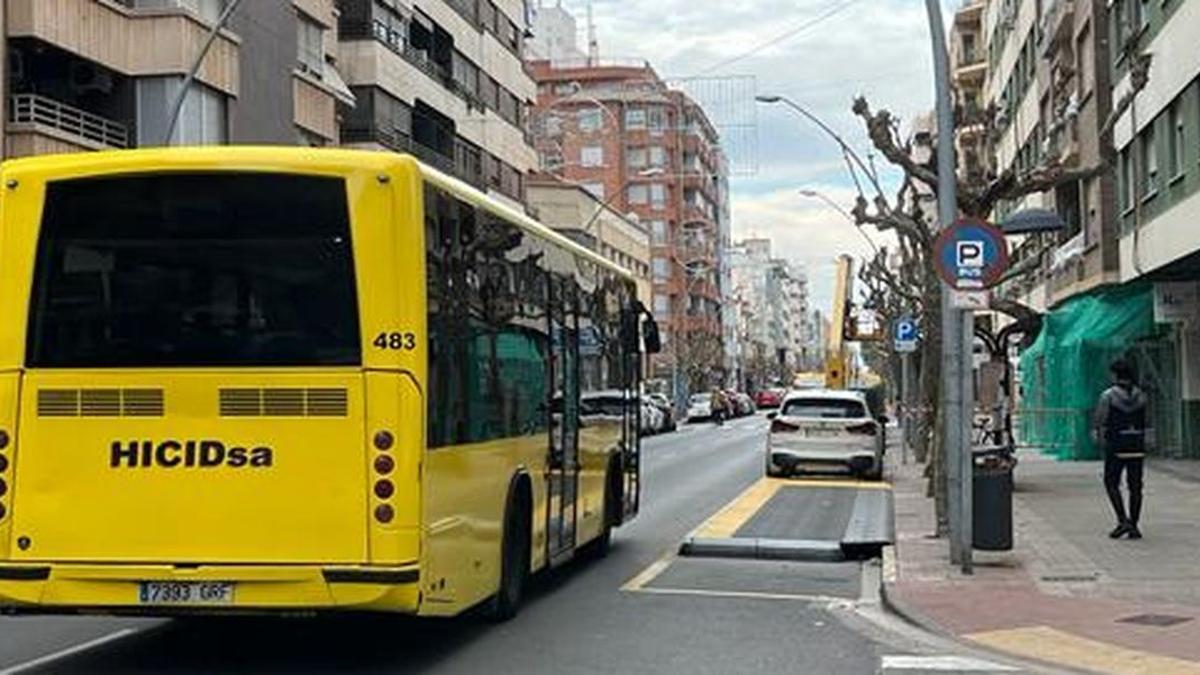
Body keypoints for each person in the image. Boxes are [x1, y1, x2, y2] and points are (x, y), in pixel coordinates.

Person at [1092, 358, 1148, 540]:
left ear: (1115, 374)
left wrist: (1099, 439)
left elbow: (1100, 420)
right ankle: (1134, 524)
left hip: (1116, 444)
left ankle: (1122, 519)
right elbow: (1146, 420)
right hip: (1137, 444)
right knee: (1136, 486)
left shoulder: (1108, 396)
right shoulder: (1141, 395)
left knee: (1111, 482)